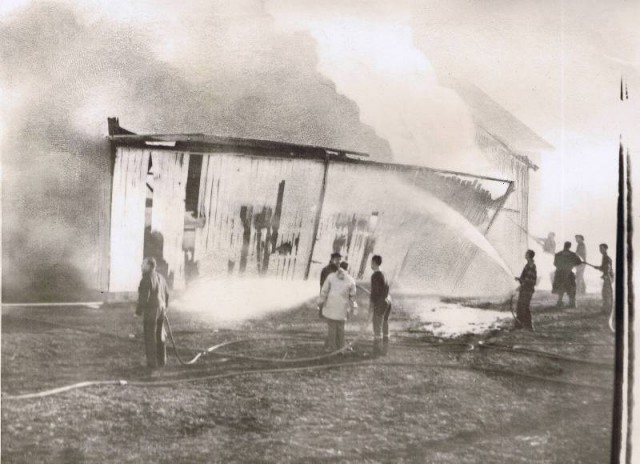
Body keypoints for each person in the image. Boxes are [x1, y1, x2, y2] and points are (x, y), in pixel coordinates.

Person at [136, 257, 170, 369]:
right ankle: (162, 361)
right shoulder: (161, 277)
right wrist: (165, 308)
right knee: (160, 335)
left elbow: (144, 297)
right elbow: (167, 294)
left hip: (151, 311)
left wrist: (138, 312)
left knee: (150, 336)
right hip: (161, 310)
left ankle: (152, 363)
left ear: (149, 266)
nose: (141, 266)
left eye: (143, 264)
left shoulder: (146, 278)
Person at [318, 264, 358, 352]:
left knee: (332, 328)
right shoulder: (350, 280)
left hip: (331, 307)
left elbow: (324, 291)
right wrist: (353, 307)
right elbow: (352, 296)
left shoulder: (331, 277)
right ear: (348, 269)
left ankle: (333, 348)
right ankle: (341, 348)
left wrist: (320, 302)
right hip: (342, 309)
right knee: (340, 329)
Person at [370, 255, 391, 355]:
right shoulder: (385, 274)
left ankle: (376, 351)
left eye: (371, 262)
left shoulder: (375, 275)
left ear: (374, 263)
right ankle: (385, 350)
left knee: (377, 327)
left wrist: (371, 306)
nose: (371, 265)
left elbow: (375, 292)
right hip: (388, 301)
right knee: (385, 325)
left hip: (380, 303)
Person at [553, 242, 583, 308]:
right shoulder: (573, 255)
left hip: (559, 273)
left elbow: (555, 264)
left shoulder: (558, 254)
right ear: (570, 246)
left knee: (561, 288)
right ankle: (572, 303)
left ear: (564, 245)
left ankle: (559, 302)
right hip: (568, 273)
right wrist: (571, 265)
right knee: (571, 288)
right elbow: (579, 262)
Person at [514, 250, 537, 330]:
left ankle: (525, 326)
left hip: (527, 289)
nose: (525, 255)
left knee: (523, 307)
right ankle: (523, 325)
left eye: (526, 254)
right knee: (522, 306)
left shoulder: (530, 265)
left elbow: (529, 279)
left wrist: (521, 285)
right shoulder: (529, 265)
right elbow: (526, 278)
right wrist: (519, 279)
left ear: (529, 256)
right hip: (526, 289)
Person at [318, 252, 341, 319]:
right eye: (337, 260)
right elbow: (323, 282)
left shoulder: (337, 269)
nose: (338, 262)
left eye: (339, 260)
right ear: (332, 259)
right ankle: (322, 313)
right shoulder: (326, 269)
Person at [594, 243, 614, 313]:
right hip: (607, 276)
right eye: (600, 248)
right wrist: (599, 267)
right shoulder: (604, 257)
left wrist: (605, 274)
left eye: (602, 248)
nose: (600, 250)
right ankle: (606, 308)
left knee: (606, 293)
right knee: (605, 293)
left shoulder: (606, 257)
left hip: (608, 277)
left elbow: (607, 268)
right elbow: (604, 267)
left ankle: (607, 309)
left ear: (605, 249)